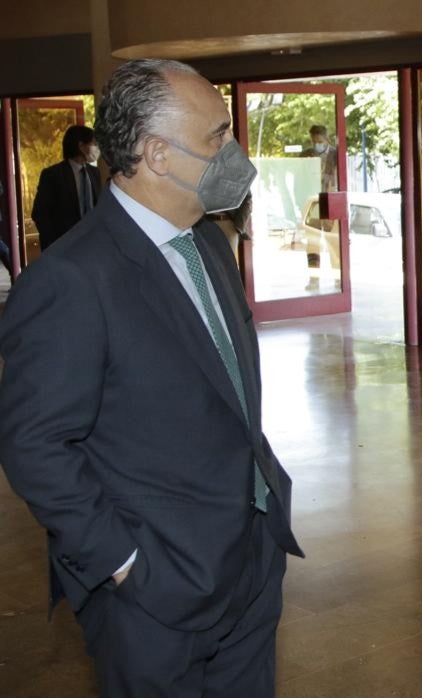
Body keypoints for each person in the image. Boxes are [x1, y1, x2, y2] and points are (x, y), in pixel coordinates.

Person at [0, 58, 302, 697]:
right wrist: (125, 564)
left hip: (249, 558)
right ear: (157, 155)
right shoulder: (71, 279)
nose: (235, 152)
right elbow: (34, 443)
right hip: (156, 592)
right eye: (217, 136)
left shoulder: (208, 243)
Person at [31, 124, 100, 250]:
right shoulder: (53, 175)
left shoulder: (95, 173)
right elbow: (40, 213)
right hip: (64, 246)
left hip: (93, 244)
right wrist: (53, 243)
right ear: (81, 146)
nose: (97, 148)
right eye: (94, 144)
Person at [302, 124, 338, 192]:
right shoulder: (305, 155)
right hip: (310, 194)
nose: (316, 145)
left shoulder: (336, 155)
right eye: (314, 142)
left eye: (320, 142)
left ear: (327, 139)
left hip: (330, 194)